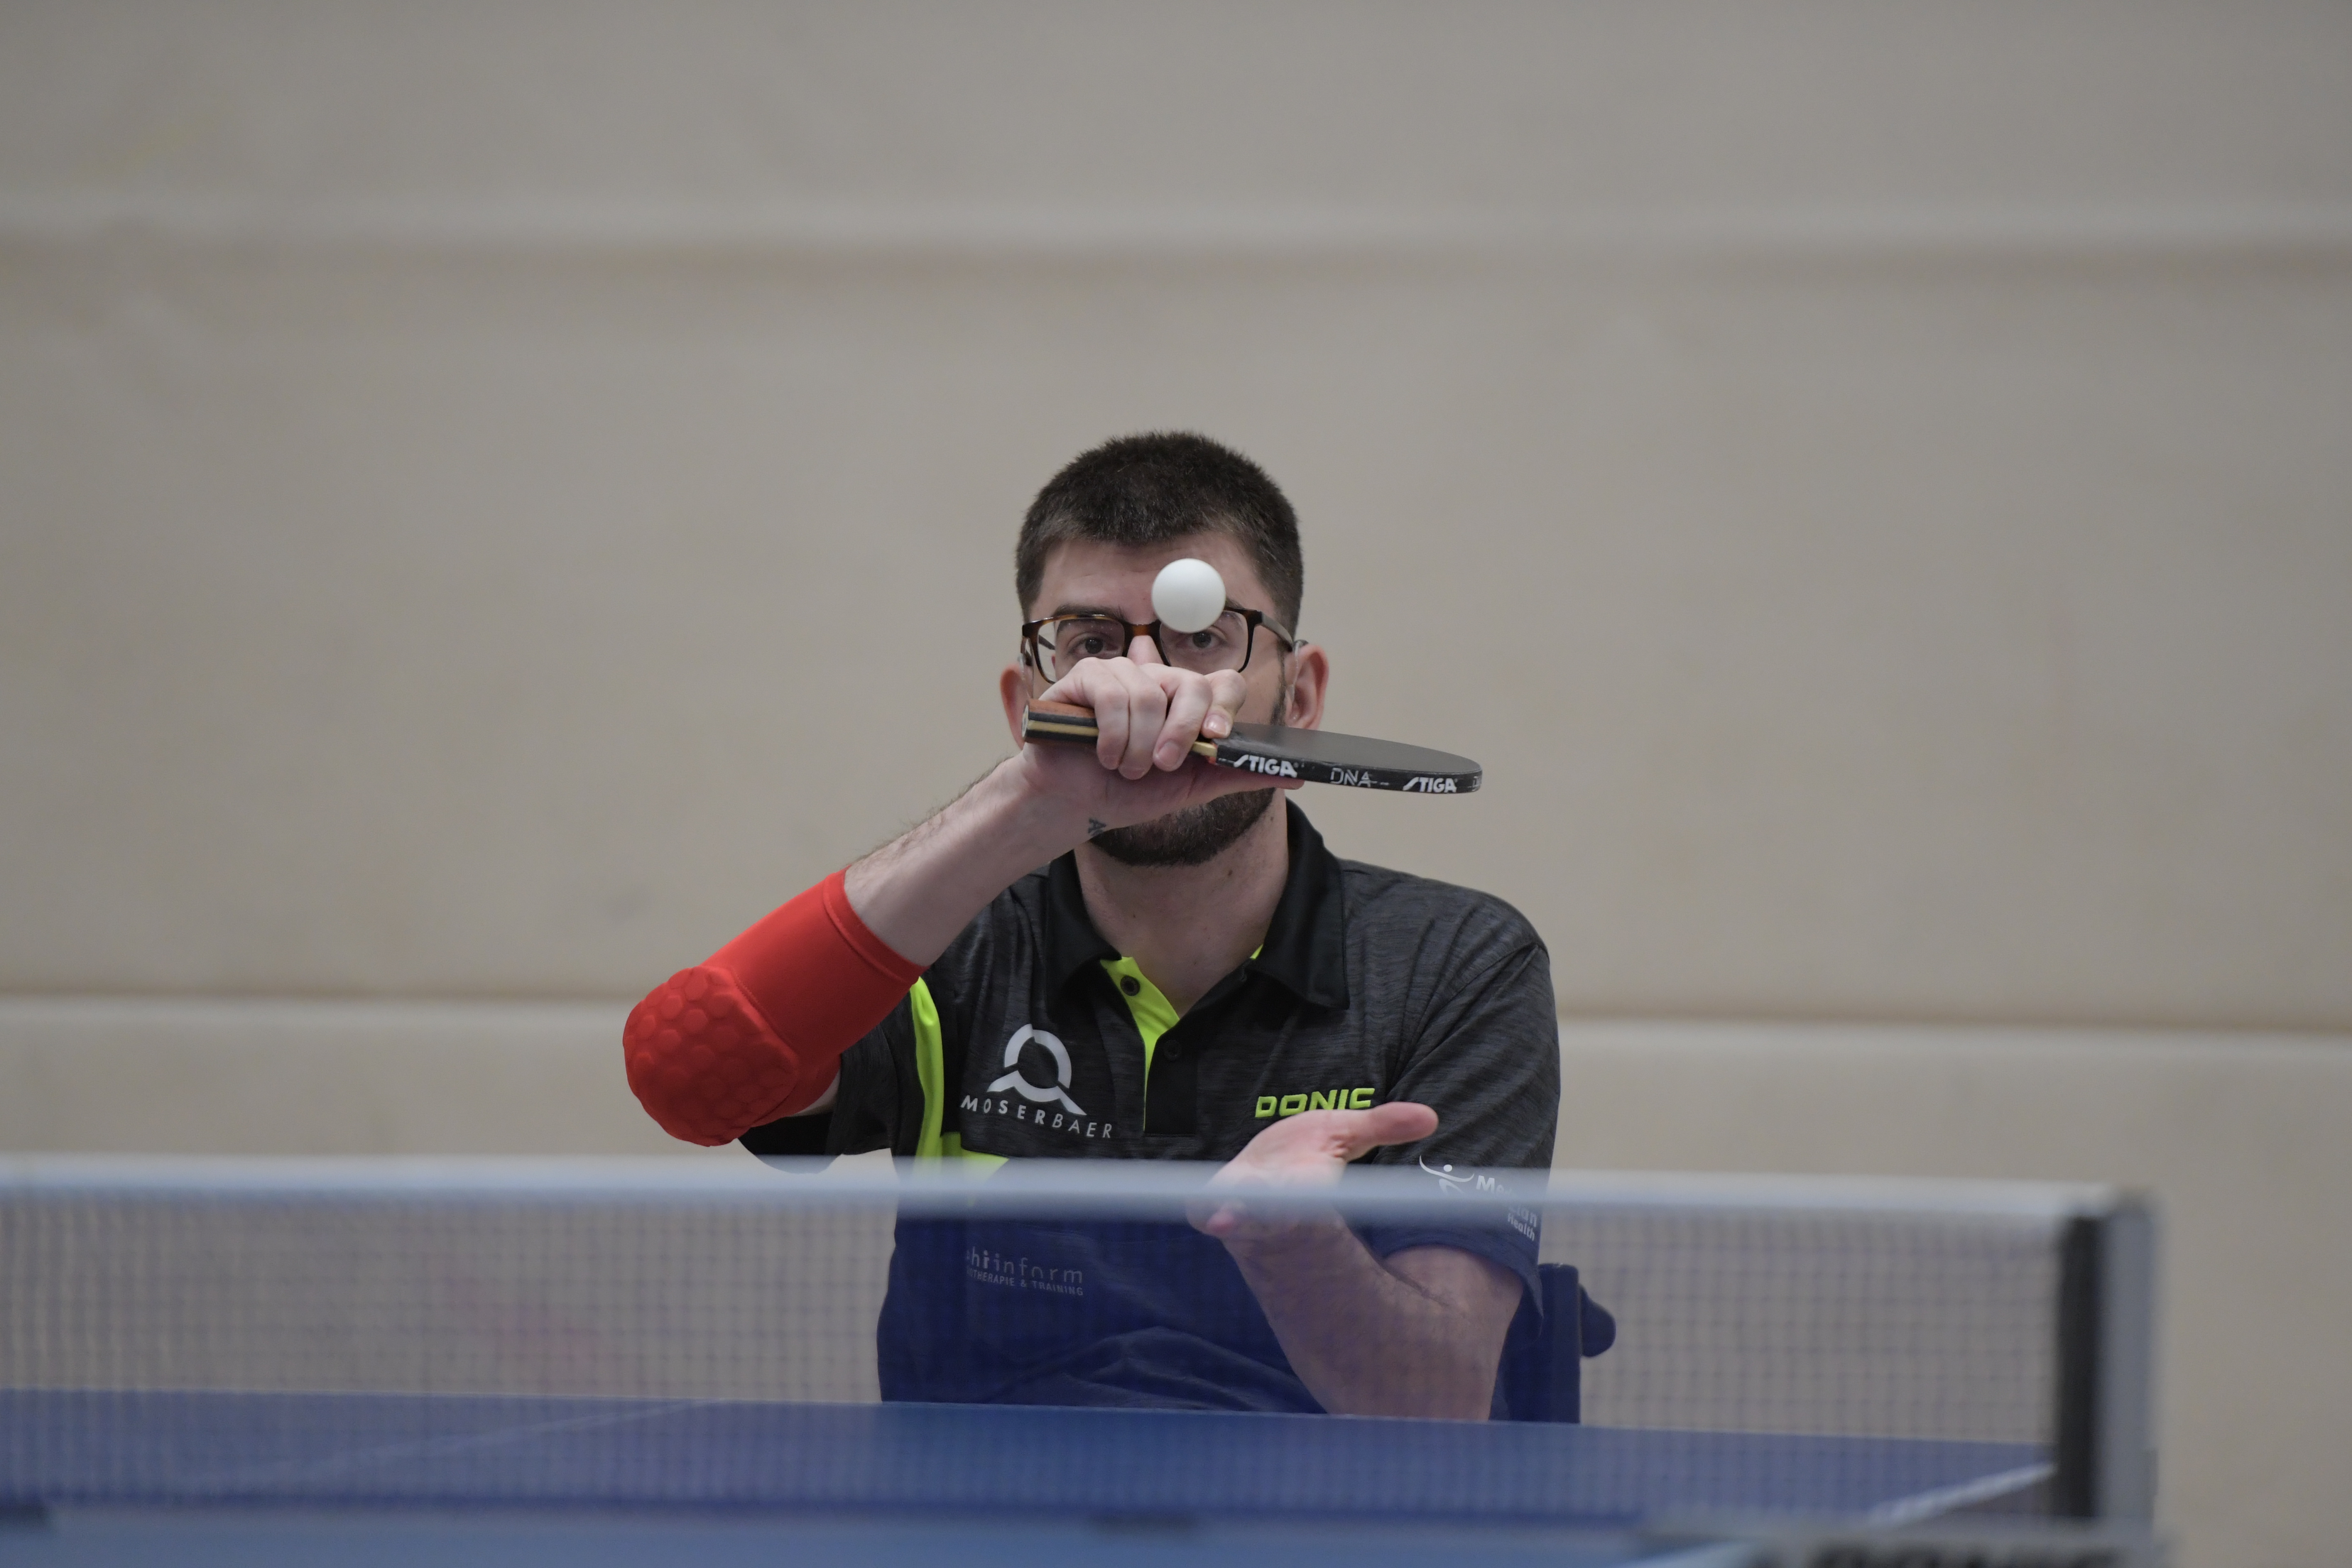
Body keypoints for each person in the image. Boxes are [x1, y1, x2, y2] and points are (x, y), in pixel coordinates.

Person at [624, 433, 1559, 1419]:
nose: (1152, 688)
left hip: (1313, 1506)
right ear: (1026, 702)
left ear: (1303, 695)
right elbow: (687, 1075)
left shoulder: (1455, 964)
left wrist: (1291, 1241)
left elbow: (1438, 1401)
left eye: (1205, 636)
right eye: (1091, 641)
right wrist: (1033, 801)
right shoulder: (950, 943)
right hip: (978, 1503)